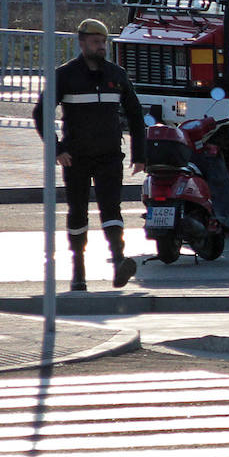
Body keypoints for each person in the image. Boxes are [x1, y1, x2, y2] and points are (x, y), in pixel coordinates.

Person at [32, 18, 146, 291]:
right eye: (95, 43)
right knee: (78, 213)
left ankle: (119, 260)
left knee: (112, 209)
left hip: (109, 155)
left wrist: (139, 154)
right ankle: (78, 272)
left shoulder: (116, 75)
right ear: (82, 43)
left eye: (103, 43)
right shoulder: (66, 75)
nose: (101, 47)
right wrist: (57, 149)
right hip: (76, 157)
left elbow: (135, 114)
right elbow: (41, 113)